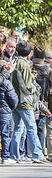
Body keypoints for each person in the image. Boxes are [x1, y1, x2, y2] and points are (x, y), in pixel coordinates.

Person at [10, 41, 50, 163]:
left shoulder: (14, 62)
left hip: (14, 100)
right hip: (25, 100)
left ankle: (14, 155)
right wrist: (34, 87)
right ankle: (37, 154)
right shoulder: (25, 65)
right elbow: (26, 86)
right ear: (28, 52)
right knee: (31, 127)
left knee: (17, 128)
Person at [0, 33, 18, 164]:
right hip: (5, 102)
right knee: (6, 132)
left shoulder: (13, 59)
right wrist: (7, 71)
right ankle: (5, 156)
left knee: (7, 131)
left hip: (6, 103)